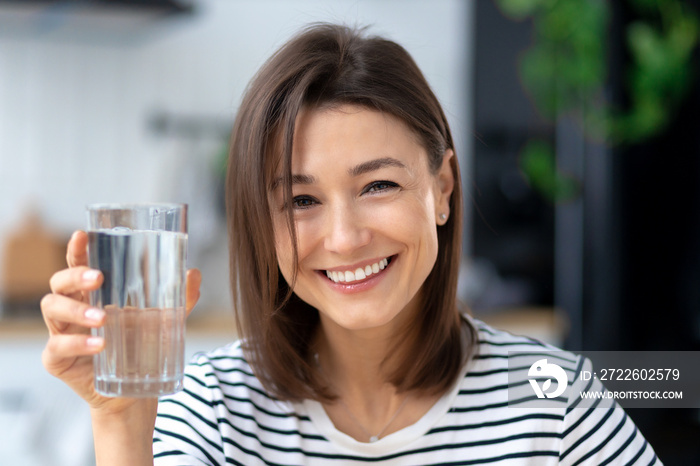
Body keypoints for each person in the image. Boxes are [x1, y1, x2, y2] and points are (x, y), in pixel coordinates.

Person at [41, 23, 661, 465]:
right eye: (301, 200)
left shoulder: (559, 403)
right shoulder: (206, 413)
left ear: (441, 188)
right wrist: (119, 421)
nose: (344, 238)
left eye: (379, 185)